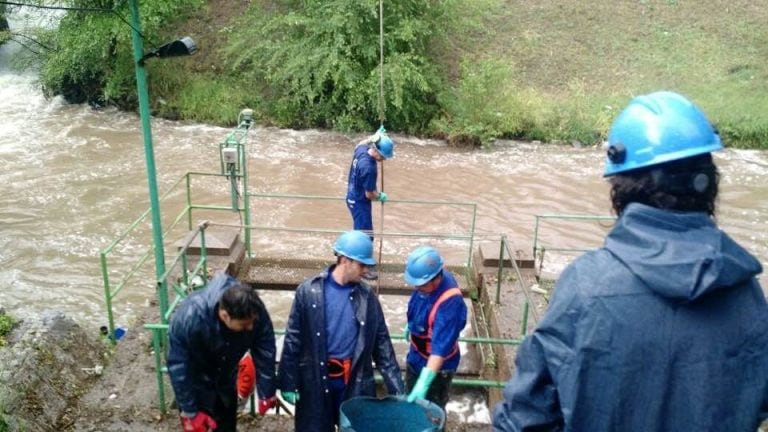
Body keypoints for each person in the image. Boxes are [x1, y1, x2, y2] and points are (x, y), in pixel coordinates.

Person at [493, 91, 768, 431]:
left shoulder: (586, 287)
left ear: (620, 189)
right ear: (709, 183)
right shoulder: (749, 297)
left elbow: (525, 419)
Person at [278, 230, 405, 432]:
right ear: (345, 260)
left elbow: (383, 347)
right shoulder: (308, 292)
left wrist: (398, 392)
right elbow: (294, 339)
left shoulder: (368, 298)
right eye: (361, 264)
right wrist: (287, 381)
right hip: (316, 383)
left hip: (355, 383)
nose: (365, 270)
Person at [167, 272, 277, 432]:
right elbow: (178, 365)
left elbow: (264, 346)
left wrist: (267, 390)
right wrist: (190, 411)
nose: (251, 328)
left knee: (226, 426)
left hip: (226, 379)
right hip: (197, 381)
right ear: (225, 316)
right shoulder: (190, 317)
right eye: (245, 325)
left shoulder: (254, 309)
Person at [403, 246, 467, 413]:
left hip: (438, 368)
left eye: (420, 285)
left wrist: (424, 382)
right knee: (410, 405)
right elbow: (420, 303)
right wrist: (411, 325)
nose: (417, 288)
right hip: (416, 355)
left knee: (432, 412)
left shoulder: (450, 304)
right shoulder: (426, 285)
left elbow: (439, 352)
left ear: (435, 279)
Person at [346, 126, 394, 236]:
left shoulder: (362, 150)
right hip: (359, 202)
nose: (384, 159)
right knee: (365, 236)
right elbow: (369, 194)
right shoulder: (369, 168)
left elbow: (358, 145)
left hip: (352, 195)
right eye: (383, 156)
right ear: (377, 151)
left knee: (361, 232)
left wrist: (372, 137)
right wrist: (379, 196)